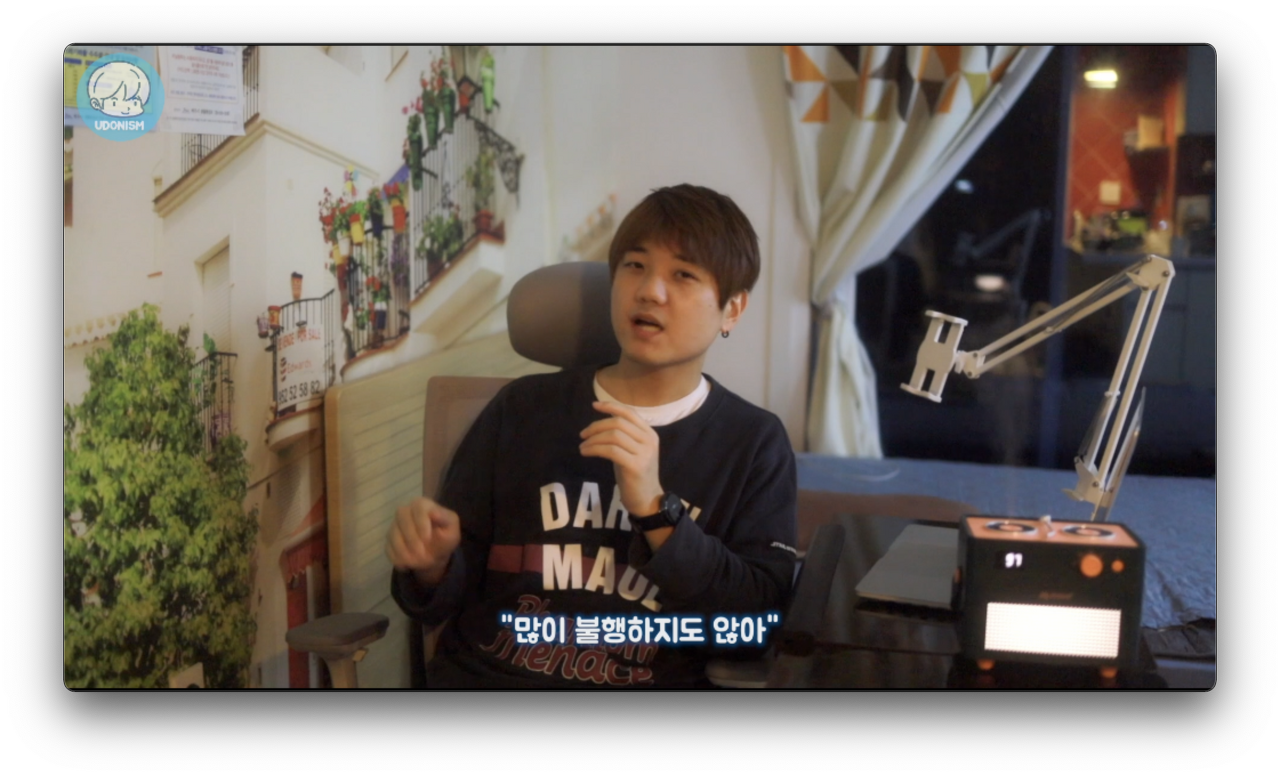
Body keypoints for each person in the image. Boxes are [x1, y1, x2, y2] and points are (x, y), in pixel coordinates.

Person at [387, 184, 798, 687]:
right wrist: (431, 565)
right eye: (635, 265)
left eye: (684, 274)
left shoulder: (753, 443)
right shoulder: (521, 408)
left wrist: (657, 511)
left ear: (732, 309)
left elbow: (755, 626)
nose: (650, 291)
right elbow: (448, 591)